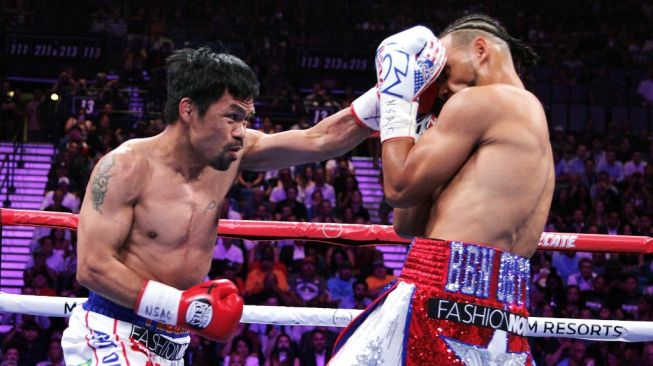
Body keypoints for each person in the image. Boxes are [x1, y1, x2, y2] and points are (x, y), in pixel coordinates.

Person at [62, 46, 377, 365]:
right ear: (188, 110)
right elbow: (92, 266)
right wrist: (180, 307)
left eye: (246, 119)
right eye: (232, 117)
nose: (241, 132)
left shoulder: (229, 157)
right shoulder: (124, 167)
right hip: (111, 333)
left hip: (174, 342)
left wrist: (384, 96)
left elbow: (319, 140)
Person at [332, 16, 552, 365]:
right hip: (504, 315)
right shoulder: (529, 117)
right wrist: (421, 121)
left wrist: (399, 98)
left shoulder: (482, 102)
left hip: (440, 295)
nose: (441, 85)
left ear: (480, 49)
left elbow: (399, 187)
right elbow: (408, 224)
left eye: (444, 70)